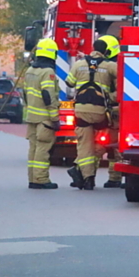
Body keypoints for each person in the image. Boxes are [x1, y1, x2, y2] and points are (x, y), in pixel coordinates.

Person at [65, 37, 118, 190]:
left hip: (81, 112)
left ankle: (88, 179)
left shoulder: (79, 64)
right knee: (101, 142)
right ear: (106, 51)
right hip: (100, 113)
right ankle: (79, 170)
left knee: (84, 146)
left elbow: (69, 83)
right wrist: (111, 96)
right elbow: (125, 78)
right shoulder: (110, 66)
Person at [23, 38, 61, 190]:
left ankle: (32, 178)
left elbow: (25, 93)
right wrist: (55, 118)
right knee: (43, 149)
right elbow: (48, 95)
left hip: (32, 116)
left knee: (33, 149)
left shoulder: (30, 70)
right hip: (44, 118)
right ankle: (41, 179)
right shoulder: (48, 72)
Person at [97, 35, 123, 189]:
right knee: (113, 145)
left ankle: (114, 177)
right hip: (112, 111)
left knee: (109, 144)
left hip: (111, 111)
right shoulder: (112, 66)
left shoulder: (111, 67)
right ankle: (114, 177)